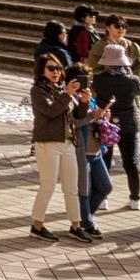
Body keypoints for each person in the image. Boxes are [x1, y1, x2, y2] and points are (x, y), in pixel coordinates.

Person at [28, 50, 88, 242]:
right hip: (48, 143)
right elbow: (51, 111)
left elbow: (77, 116)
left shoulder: (61, 89)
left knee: (71, 187)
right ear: (42, 70)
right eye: (51, 68)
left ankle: (76, 225)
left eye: (58, 69)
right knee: (48, 186)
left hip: (68, 142)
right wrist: (68, 94)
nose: (56, 72)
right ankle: (37, 225)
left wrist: (83, 102)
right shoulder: (38, 91)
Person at [92, 43, 140, 210]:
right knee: (131, 163)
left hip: (106, 124)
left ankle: (102, 199)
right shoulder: (131, 80)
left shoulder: (98, 80)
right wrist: (130, 73)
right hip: (128, 124)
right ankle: (135, 199)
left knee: (105, 161)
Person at [67, 68, 113, 237]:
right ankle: (86, 224)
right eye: (83, 80)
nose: (87, 85)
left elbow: (94, 119)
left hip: (96, 151)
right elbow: (72, 124)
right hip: (81, 151)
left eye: (89, 81)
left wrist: (103, 116)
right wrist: (91, 115)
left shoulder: (91, 99)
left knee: (105, 187)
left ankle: (85, 219)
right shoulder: (70, 99)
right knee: (83, 190)